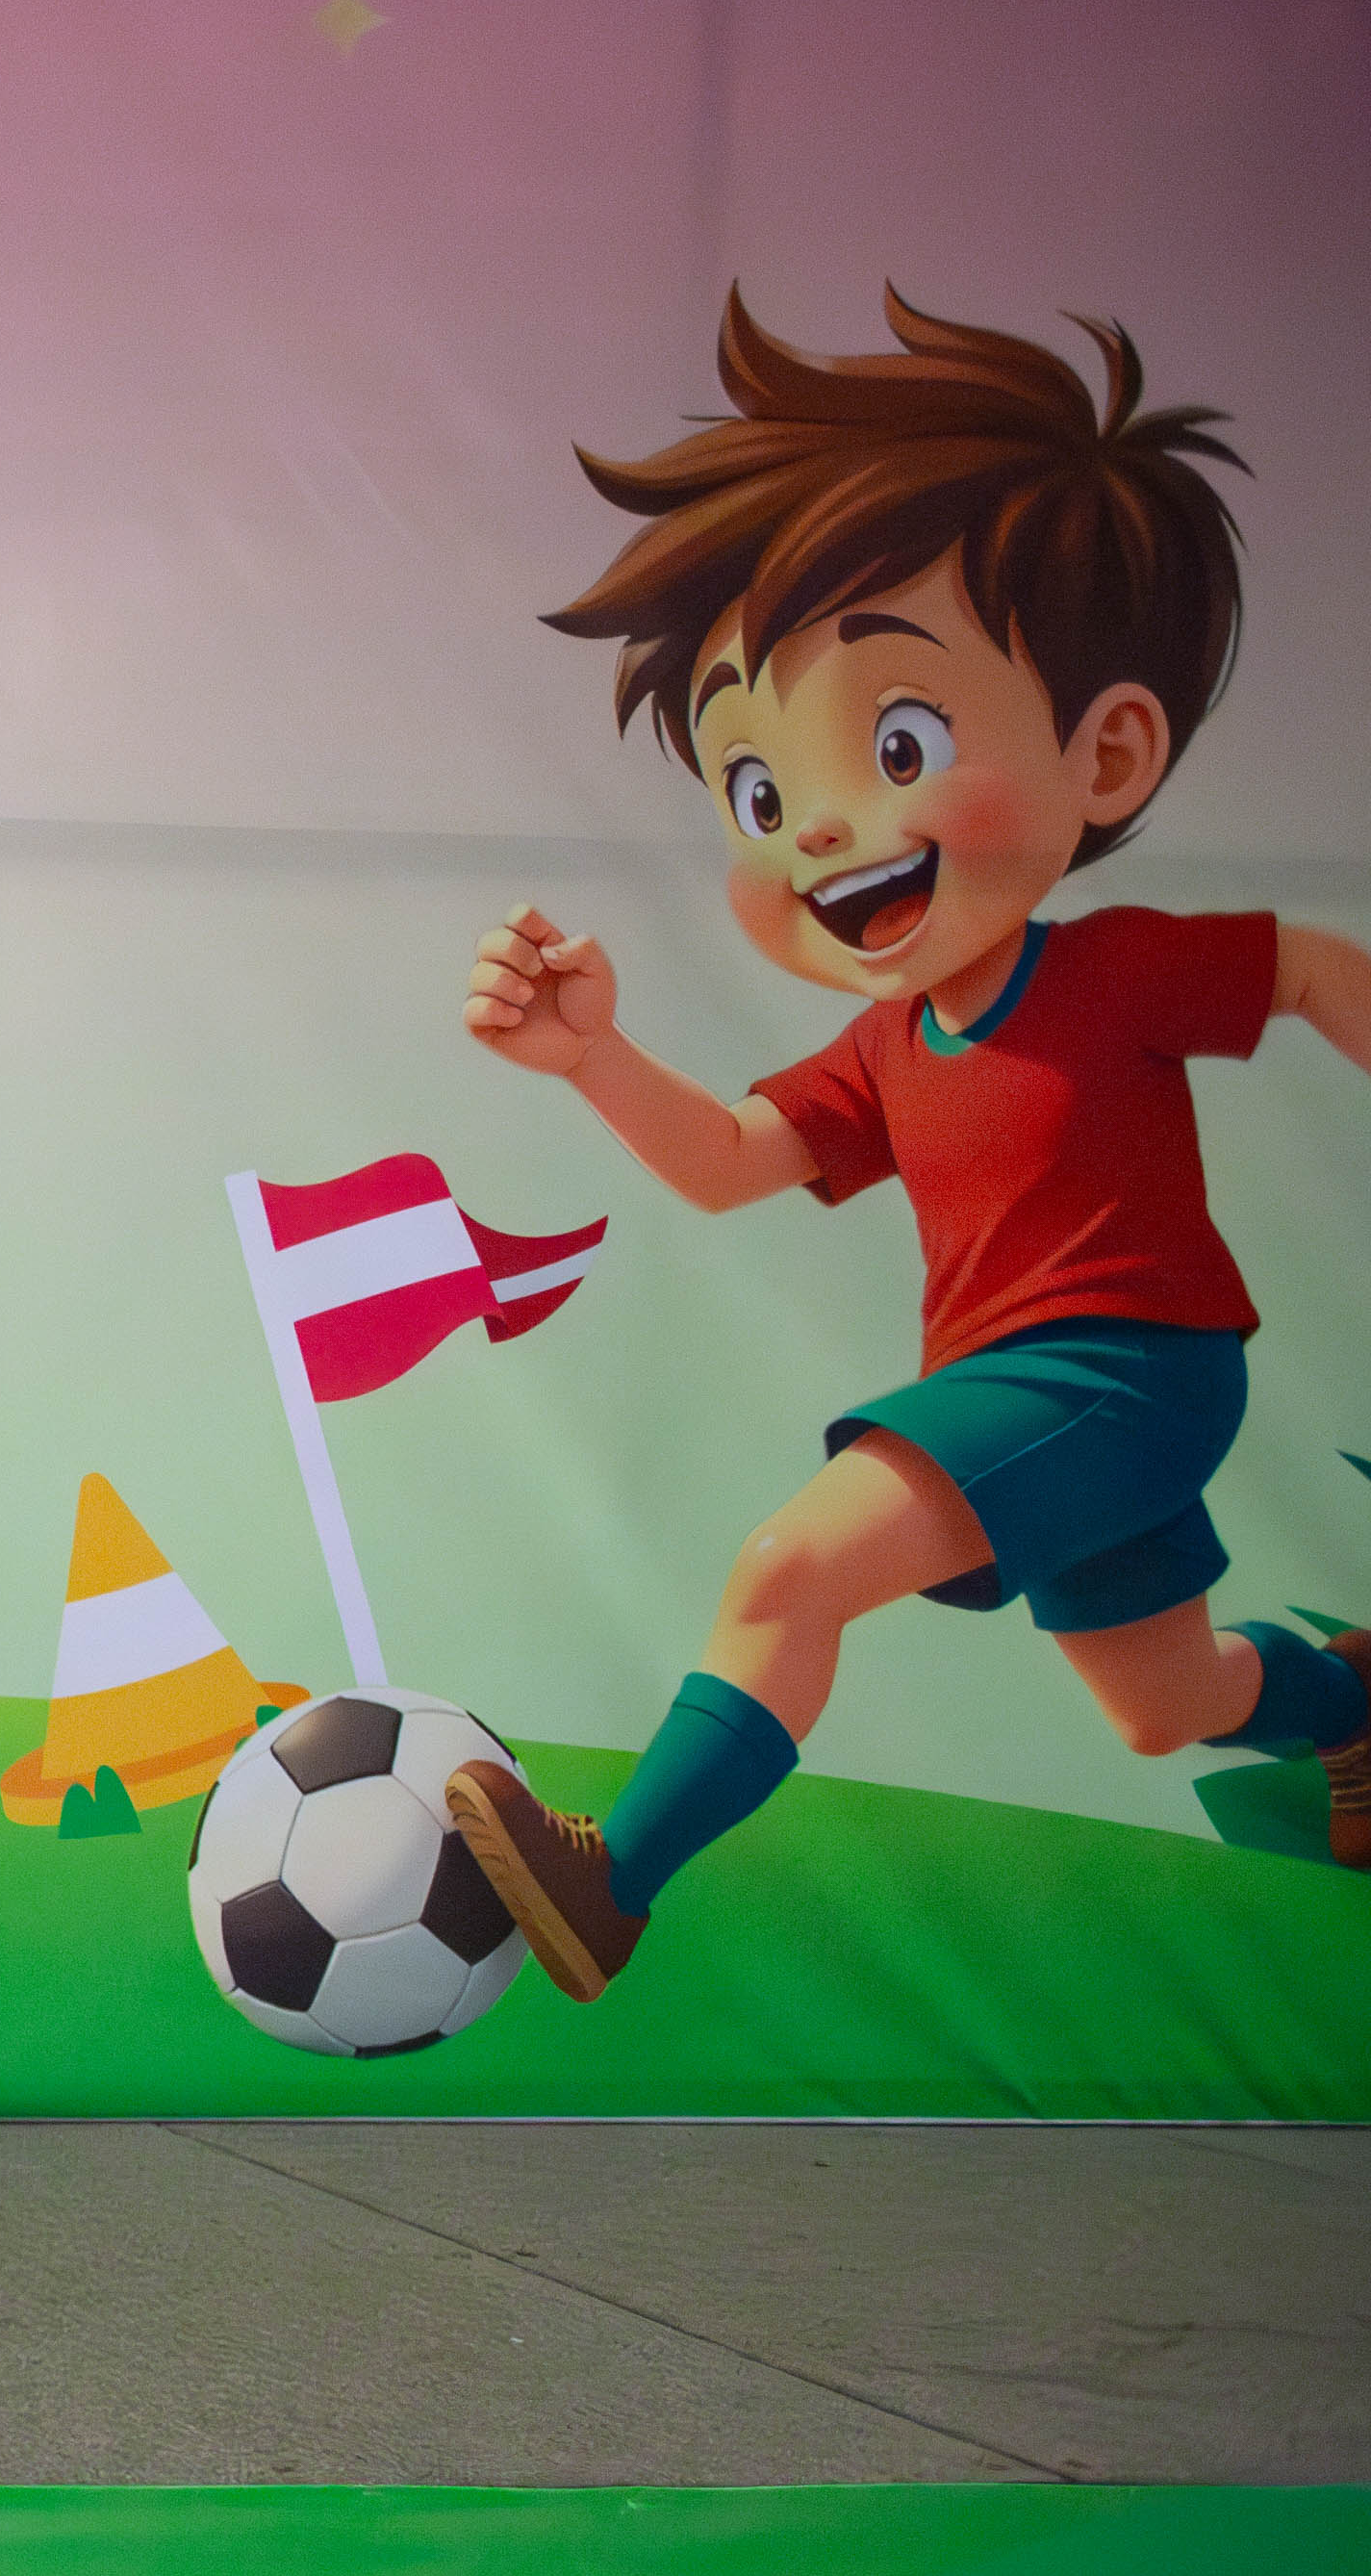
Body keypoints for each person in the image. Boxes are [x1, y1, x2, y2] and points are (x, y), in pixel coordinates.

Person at [444, 292, 1371, 1974]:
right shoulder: (887, 1042)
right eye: (761, 791)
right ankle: (1355, 1704)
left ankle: (614, 1883)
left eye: (898, 743)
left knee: (789, 1567)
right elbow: (731, 1161)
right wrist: (592, 1057)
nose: (822, 831)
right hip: (1050, 1388)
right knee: (1166, 1705)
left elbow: (1307, 969)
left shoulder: (1111, 971)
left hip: (1122, 1365)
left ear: (1108, 750)